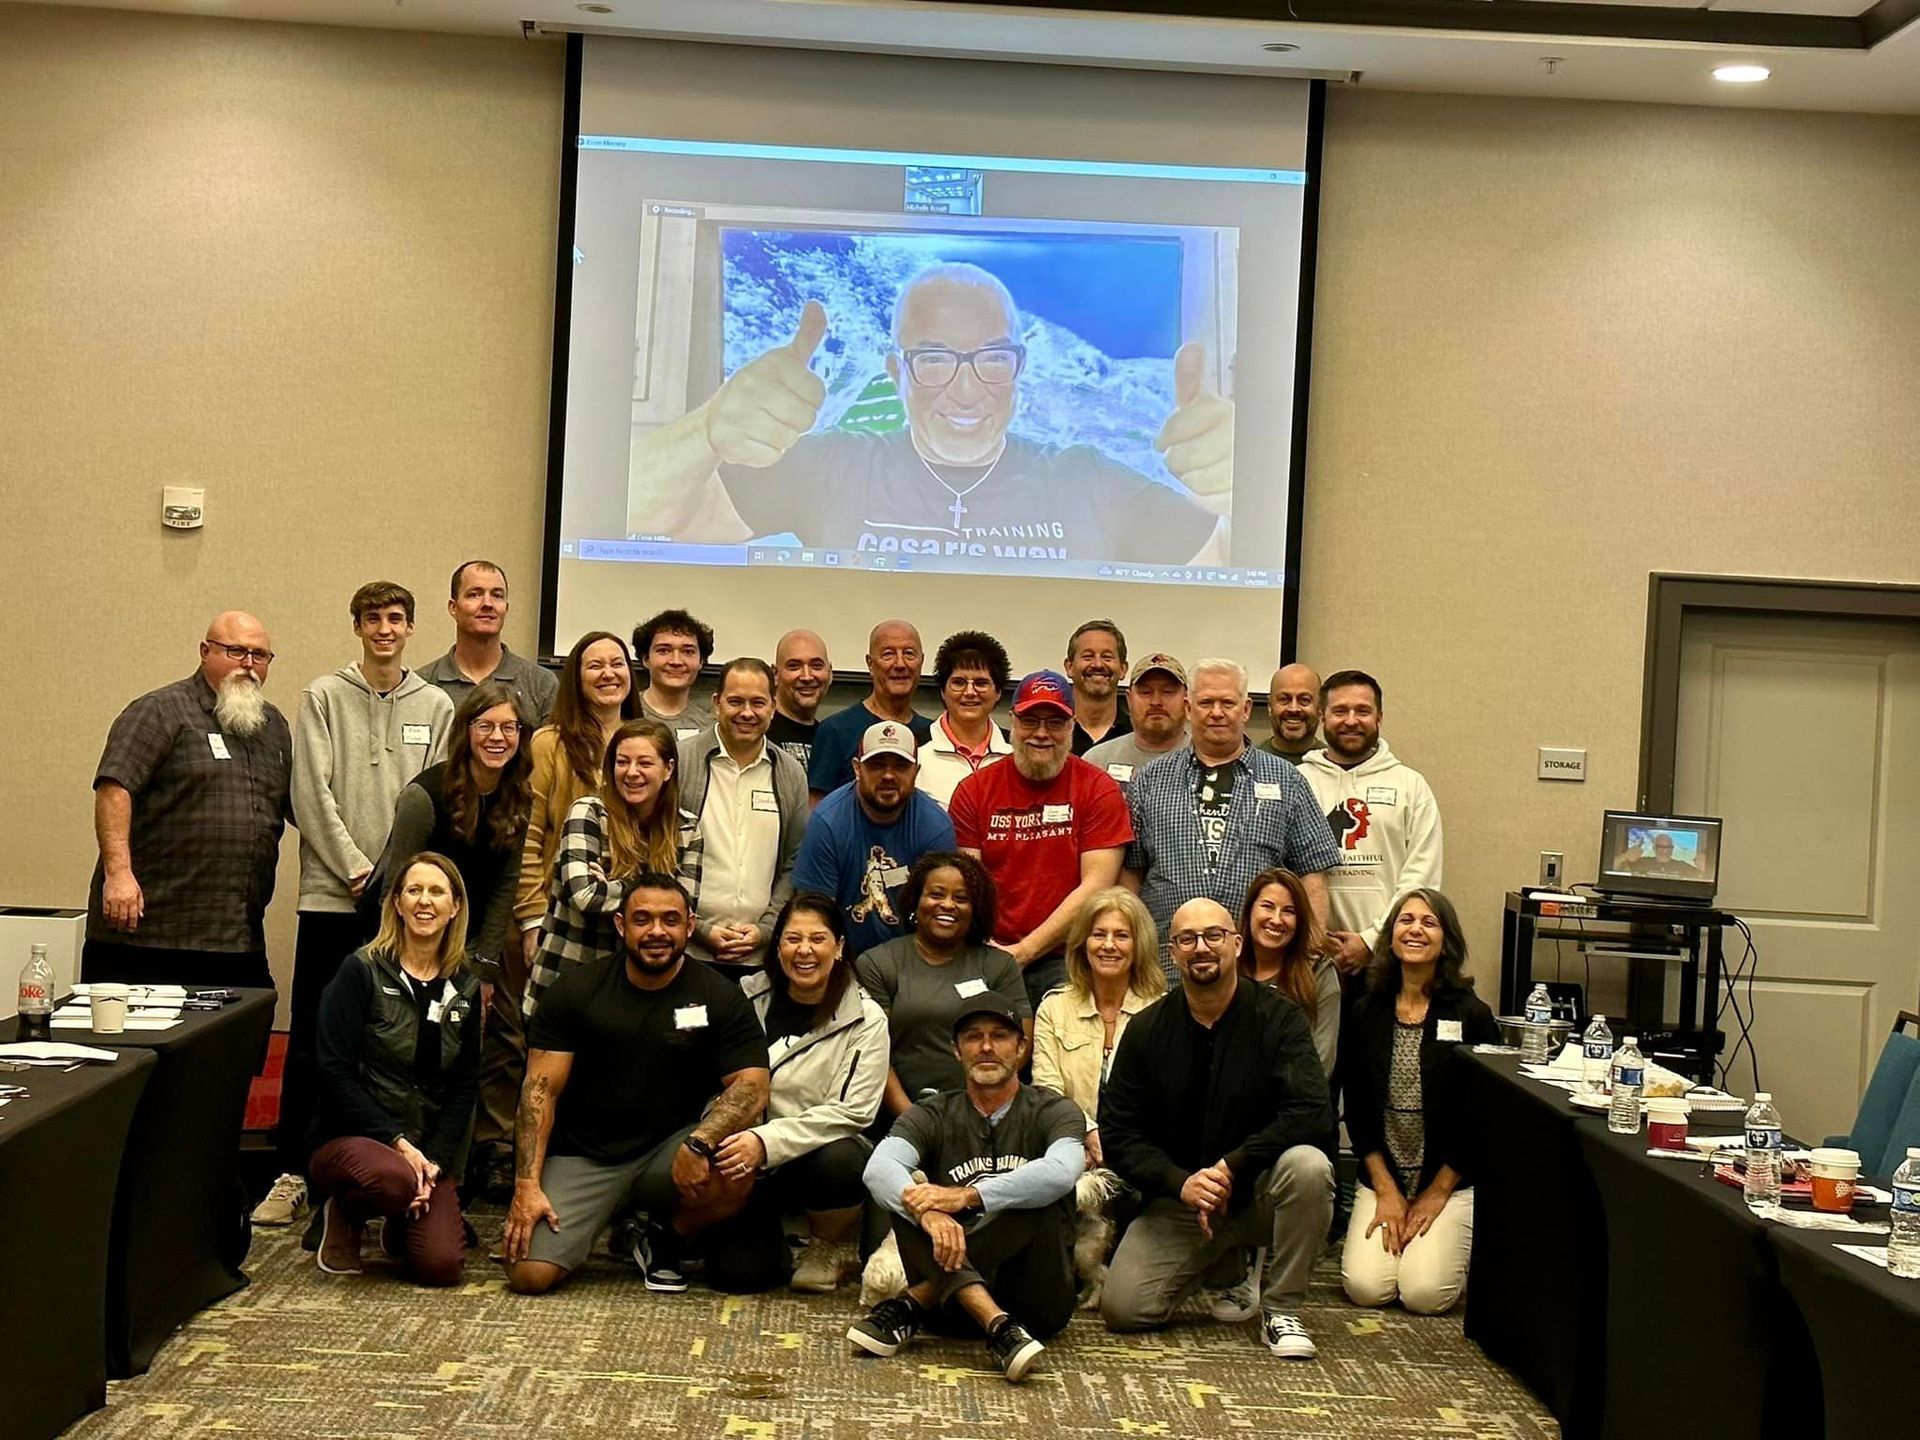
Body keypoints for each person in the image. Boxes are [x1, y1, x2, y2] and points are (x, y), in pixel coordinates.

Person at [624, 262, 1228, 565]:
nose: (966, 391)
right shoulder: (835, 464)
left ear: (1019, 364)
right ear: (896, 370)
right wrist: (706, 430)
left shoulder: (1088, 477)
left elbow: (1217, 559)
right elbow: (644, 518)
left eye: (992, 358)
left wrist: (1237, 488)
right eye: (935, 360)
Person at [274, 583, 455, 1225]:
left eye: (396, 619)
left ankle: (404, 1163)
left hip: (405, 902)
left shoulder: (435, 704)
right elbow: (309, 791)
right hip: (334, 894)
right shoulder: (322, 695)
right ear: (357, 627)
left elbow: (434, 798)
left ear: (411, 628)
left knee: (402, 1039)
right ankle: (294, 1170)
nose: (385, 629)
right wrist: (359, 869)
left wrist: (401, 881)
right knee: (314, 1037)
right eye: (373, 619)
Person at [504, 874, 770, 1295]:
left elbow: (752, 1086)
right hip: (585, 1156)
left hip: (672, 1152)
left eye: (670, 920)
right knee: (528, 1275)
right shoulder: (576, 990)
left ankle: (662, 1235)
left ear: (689, 926)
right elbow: (539, 1092)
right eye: (643, 920)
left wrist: (700, 1142)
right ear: (621, 926)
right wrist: (527, 1185)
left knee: (738, 1162)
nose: (657, 932)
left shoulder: (718, 996)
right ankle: (602, 1217)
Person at [1098, 898, 1335, 1360]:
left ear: (1236, 943)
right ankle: (1224, 1259)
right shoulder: (1147, 1031)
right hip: (1184, 1199)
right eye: (1187, 939)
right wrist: (1180, 1182)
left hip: (1261, 1190)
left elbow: (1311, 1110)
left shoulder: (1278, 1017)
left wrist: (1234, 1164)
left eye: (1213, 936)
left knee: (1309, 1167)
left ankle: (1281, 1308)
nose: (1201, 948)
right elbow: (1119, 1131)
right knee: (1124, 1310)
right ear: (1172, 953)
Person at [850, 1002, 1087, 1383]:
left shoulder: (1054, 1110)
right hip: (952, 1313)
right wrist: (928, 1212)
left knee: (1033, 1192)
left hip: (1037, 1304)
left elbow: (1062, 1172)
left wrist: (966, 1197)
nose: (987, 1047)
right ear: (957, 1051)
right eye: (974, 1038)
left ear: (1022, 1048)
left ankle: (913, 1304)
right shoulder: (933, 1112)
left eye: (999, 1036)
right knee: (908, 1196)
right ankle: (997, 1326)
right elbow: (878, 1169)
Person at [364, 682, 534, 1200]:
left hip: (471, 941)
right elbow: (396, 886)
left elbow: (506, 887)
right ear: (466, 733)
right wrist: (414, 962)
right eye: (486, 726)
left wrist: (479, 971)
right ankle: (394, 1157)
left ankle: (457, 1168)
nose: (498, 737)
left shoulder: (518, 795)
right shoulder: (426, 795)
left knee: (477, 1047)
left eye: (509, 727)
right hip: (409, 935)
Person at [85, 612, 292, 991]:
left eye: (259, 656)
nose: (248, 664)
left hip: (237, 937)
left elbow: (301, 805)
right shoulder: (160, 711)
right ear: (204, 651)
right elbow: (115, 788)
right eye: (236, 651)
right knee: (141, 1048)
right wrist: (118, 874)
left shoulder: (273, 726)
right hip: (150, 935)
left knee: (242, 1044)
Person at [308, 852, 480, 1286]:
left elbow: (465, 1087)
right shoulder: (360, 971)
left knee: (440, 1267)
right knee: (393, 1179)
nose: (425, 901)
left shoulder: (466, 985)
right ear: (397, 904)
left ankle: (402, 1217)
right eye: (414, 890)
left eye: (437, 891)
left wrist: (435, 1161)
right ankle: (344, 1208)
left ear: (455, 906)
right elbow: (333, 1073)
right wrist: (398, 1143)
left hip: (425, 1151)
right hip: (355, 1140)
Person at [1123, 659, 1338, 981]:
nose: (1217, 712)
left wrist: (1307, 955)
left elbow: (1313, 874)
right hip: (1165, 970)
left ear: (1247, 708)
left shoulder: (1286, 780)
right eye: (1206, 702)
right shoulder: (1151, 780)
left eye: (1228, 702)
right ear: (1188, 707)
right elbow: (1131, 875)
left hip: (1258, 972)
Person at [1340, 889, 1500, 1315]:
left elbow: (1484, 1117)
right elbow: (1354, 1106)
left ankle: (1439, 1241)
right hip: (1385, 1175)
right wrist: (1387, 1190)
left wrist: (1436, 1192)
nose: (1415, 929)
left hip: (1448, 1178)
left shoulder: (1472, 1016)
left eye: (1429, 923)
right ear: (1390, 936)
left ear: (1446, 941)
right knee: (1366, 1288)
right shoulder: (1363, 1010)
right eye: (1405, 920)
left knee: (1424, 1294)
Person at [721, 893, 889, 1293]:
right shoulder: (745, 996)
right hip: (744, 1160)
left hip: (815, 1154)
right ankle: (769, 1242)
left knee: (843, 1156)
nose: (805, 951)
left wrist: (765, 1141)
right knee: (739, 1276)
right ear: (777, 945)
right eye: (793, 939)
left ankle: (823, 1246)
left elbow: (853, 1113)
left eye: (818, 939)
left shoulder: (866, 1018)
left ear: (840, 947)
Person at [949, 671, 1134, 1009]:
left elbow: (1097, 885)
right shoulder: (973, 791)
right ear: (1012, 722)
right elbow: (968, 885)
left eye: (1055, 722)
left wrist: (1025, 951)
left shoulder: (1098, 789)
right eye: (1030, 721)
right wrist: (996, 953)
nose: (1042, 734)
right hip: (987, 951)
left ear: (1072, 727)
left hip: (1067, 957)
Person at [1031, 888, 1165, 1300]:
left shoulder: (1163, 1010)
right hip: (1069, 1144)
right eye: (1098, 934)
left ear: (1138, 944)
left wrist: (1120, 1141)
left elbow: (1168, 1095)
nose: (1108, 945)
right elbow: (1045, 1088)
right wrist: (1086, 1131)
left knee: (1131, 1288)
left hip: (1140, 1151)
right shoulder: (1055, 1007)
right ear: (1082, 943)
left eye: (1121, 936)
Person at [523, 718, 686, 1020]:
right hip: (566, 983)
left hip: (639, 997)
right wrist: (650, 887)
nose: (632, 772)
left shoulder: (686, 829)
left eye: (644, 763)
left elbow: (684, 912)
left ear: (668, 769)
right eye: (622, 762)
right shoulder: (588, 812)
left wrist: (614, 882)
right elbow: (586, 896)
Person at [853, 852, 1029, 1117]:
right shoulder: (878, 963)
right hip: (900, 1116)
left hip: (988, 1113)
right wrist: (913, 1120)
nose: (948, 905)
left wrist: (984, 1108)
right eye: (936, 894)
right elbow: (874, 1054)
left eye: (961, 898)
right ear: (916, 901)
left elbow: (1019, 1045)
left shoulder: (1000, 966)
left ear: (976, 909)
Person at [1297, 670, 1443, 981]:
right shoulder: (1298, 781)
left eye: (1362, 711)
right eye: (1340, 711)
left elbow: (1422, 877)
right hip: (1308, 961)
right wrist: (1312, 936)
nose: (1351, 720)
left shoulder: (1410, 786)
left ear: (1379, 717)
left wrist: (1372, 940)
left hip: (1386, 963)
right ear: (1322, 716)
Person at [513, 632, 640, 967]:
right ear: (575, 679)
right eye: (595, 666)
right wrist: (532, 917)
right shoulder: (548, 744)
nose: (609, 674)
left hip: (632, 917)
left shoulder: (648, 742)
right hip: (560, 917)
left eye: (617, 664)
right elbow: (527, 836)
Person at [677, 658, 809, 976]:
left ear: (773, 707)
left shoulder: (790, 772)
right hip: (688, 949)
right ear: (716, 704)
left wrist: (766, 929)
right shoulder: (682, 761)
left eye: (758, 703)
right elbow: (659, 851)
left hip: (760, 956)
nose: (747, 713)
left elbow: (794, 861)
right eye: (735, 701)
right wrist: (699, 927)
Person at [790, 722, 956, 958]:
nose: (888, 775)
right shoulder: (827, 821)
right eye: (877, 765)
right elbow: (814, 916)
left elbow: (937, 920)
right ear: (857, 769)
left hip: (913, 957)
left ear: (916, 772)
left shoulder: (935, 827)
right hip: (840, 956)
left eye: (901, 766)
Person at [417, 560, 559, 725]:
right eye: (475, 594)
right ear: (453, 607)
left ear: (506, 608)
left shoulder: (542, 684)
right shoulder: (423, 684)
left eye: (497, 595)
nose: (487, 604)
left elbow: (550, 749)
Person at [807, 621, 933, 800]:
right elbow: (816, 810)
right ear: (870, 663)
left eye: (909, 654)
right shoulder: (836, 730)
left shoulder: (933, 733)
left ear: (921, 662)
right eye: (888, 654)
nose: (900, 664)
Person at [1239, 869, 1339, 1079]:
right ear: (1249, 910)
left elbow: (1320, 1064)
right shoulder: (1229, 968)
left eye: (1288, 911)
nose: (1276, 920)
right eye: (1267, 906)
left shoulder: (1319, 972)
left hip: (1297, 1102)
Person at [916, 630, 1013, 809]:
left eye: (981, 683)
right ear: (942, 691)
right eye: (959, 682)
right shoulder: (915, 750)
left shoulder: (1016, 751)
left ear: (998, 692)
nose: (969, 692)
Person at [1085, 653, 1190, 791]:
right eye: (1145, 692)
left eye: (1168, 691)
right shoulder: (1096, 762)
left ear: (1187, 699)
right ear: (1129, 699)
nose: (1156, 702)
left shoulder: (1209, 758)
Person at [632, 608, 716, 740]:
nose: (676, 661)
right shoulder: (623, 715)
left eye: (688, 652)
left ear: (701, 661)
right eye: (664, 651)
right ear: (646, 659)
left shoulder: (711, 728)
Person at [768, 628, 831, 770]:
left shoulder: (832, 738)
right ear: (775, 674)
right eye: (794, 666)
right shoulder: (757, 732)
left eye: (816, 666)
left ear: (830, 672)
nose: (807, 677)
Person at [1065, 620, 1131, 756]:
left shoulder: (1137, 734)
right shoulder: (1053, 732)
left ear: (1123, 669)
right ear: (1069, 667)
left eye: (1107, 657)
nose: (1097, 664)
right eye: (1087, 656)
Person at [1262, 663, 1323, 765]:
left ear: (1320, 707)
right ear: (1269, 706)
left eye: (1304, 700)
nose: (1293, 709)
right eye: (1284, 699)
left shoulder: (1332, 766)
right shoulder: (1249, 765)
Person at [1626, 831, 1703, 878]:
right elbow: (1617, 869)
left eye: (1668, 847)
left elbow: (1703, 877)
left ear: (1672, 848)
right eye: (1660, 847)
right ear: (1654, 848)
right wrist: (1625, 856)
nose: (1664, 851)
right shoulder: (1643, 862)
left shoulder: (1682, 866)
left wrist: (1704, 864)